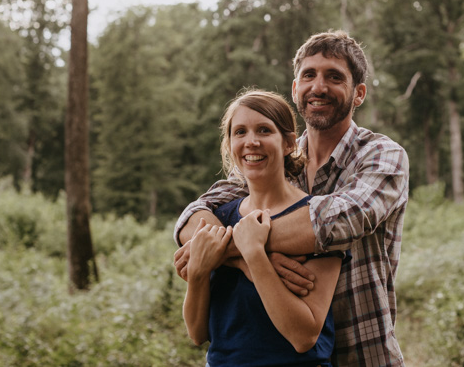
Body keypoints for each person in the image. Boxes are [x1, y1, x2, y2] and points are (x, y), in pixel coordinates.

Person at [175, 31, 409, 367]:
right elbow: (197, 212)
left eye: (334, 76)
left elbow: (340, 220)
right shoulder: (274, 160)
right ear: (295, 88)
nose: (319, 86)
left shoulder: (381, 155)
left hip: (363, 350)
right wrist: (241, 256)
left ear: (359, 94)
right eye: (308, 75)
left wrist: (228, 249)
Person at [182, 90, 344, 367]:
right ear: (229, 144)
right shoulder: (220, 219)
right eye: (240, 132)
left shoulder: (314, 220)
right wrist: (198, 273)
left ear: (288, 143)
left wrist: (255, 254)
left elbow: (303, 337)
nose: (251, 142)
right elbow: (198, 334)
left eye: (264, 130)